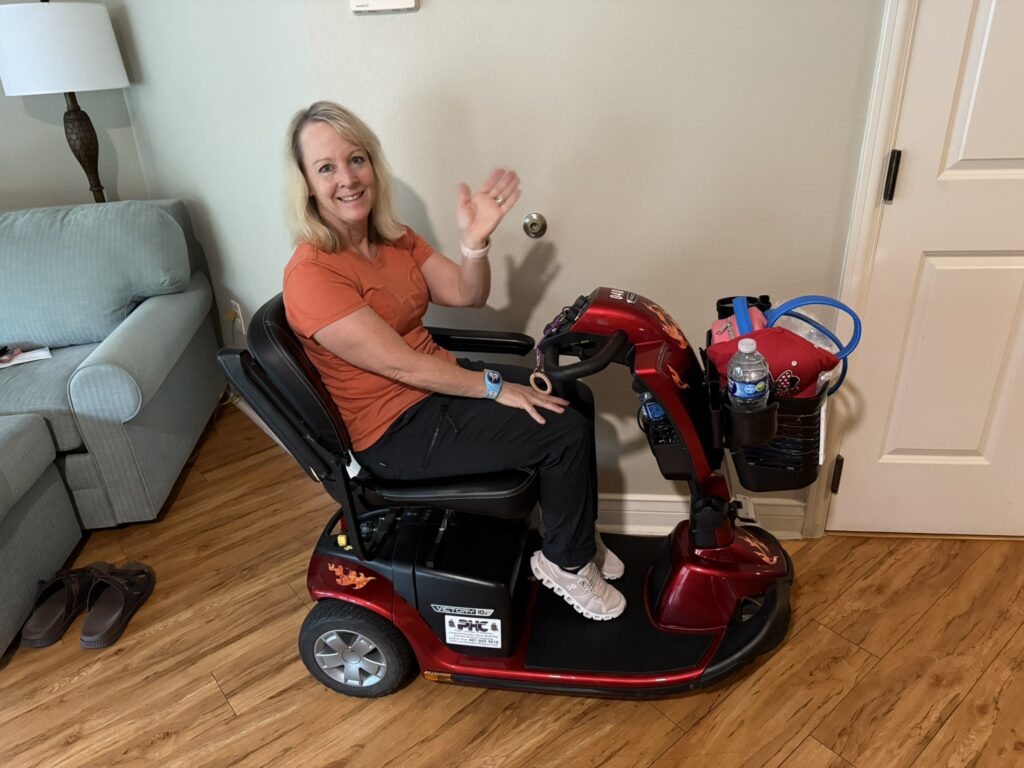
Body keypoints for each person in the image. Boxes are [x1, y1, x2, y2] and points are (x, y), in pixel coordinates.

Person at [281, 101, 625, 621]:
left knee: (573, 394)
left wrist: (474, 243)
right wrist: (496, 387)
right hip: (394, 432)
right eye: (326, 167)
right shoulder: (312, 274)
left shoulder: (392, 237)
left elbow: (468, 294)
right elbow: (402, 367)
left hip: (434, 391)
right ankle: (568, 564)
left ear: (372, 164)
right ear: (307, 183)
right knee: (562, 432)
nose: (347, 179)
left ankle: (571, 536)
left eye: (356, 159)